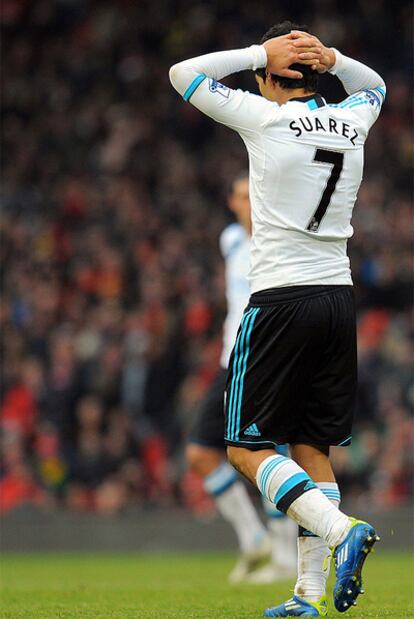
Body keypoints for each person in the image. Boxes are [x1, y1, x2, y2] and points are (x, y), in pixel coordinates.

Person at [170, 20, 384, 618]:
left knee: (244, 447)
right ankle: (308, 596)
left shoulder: (265, 118)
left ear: (271, 75)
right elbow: (377, 87)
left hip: (282, 299)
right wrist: (336, 57)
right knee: (313, 448)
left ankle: (342, 532)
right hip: (337, 300)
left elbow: (181, 75)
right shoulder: (354, 118)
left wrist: (256, 51)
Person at [186, 172, 297, 584]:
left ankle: (285, 557)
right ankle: (254, 539)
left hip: (266, 359)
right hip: (230, 359)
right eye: (237, 196)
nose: (243, 203)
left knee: (268, 450)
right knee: (201, 451)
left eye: (250, 195)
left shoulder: (280, 239)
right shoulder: (230, 240)